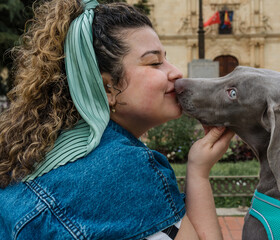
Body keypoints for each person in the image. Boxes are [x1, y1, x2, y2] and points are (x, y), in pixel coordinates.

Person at [0, 0, 234, 239]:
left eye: (167, 59)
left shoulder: (33, 156)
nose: (176, 71)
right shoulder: (124, 167)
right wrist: (199, 172)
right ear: (107, 89)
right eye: (155, 62)